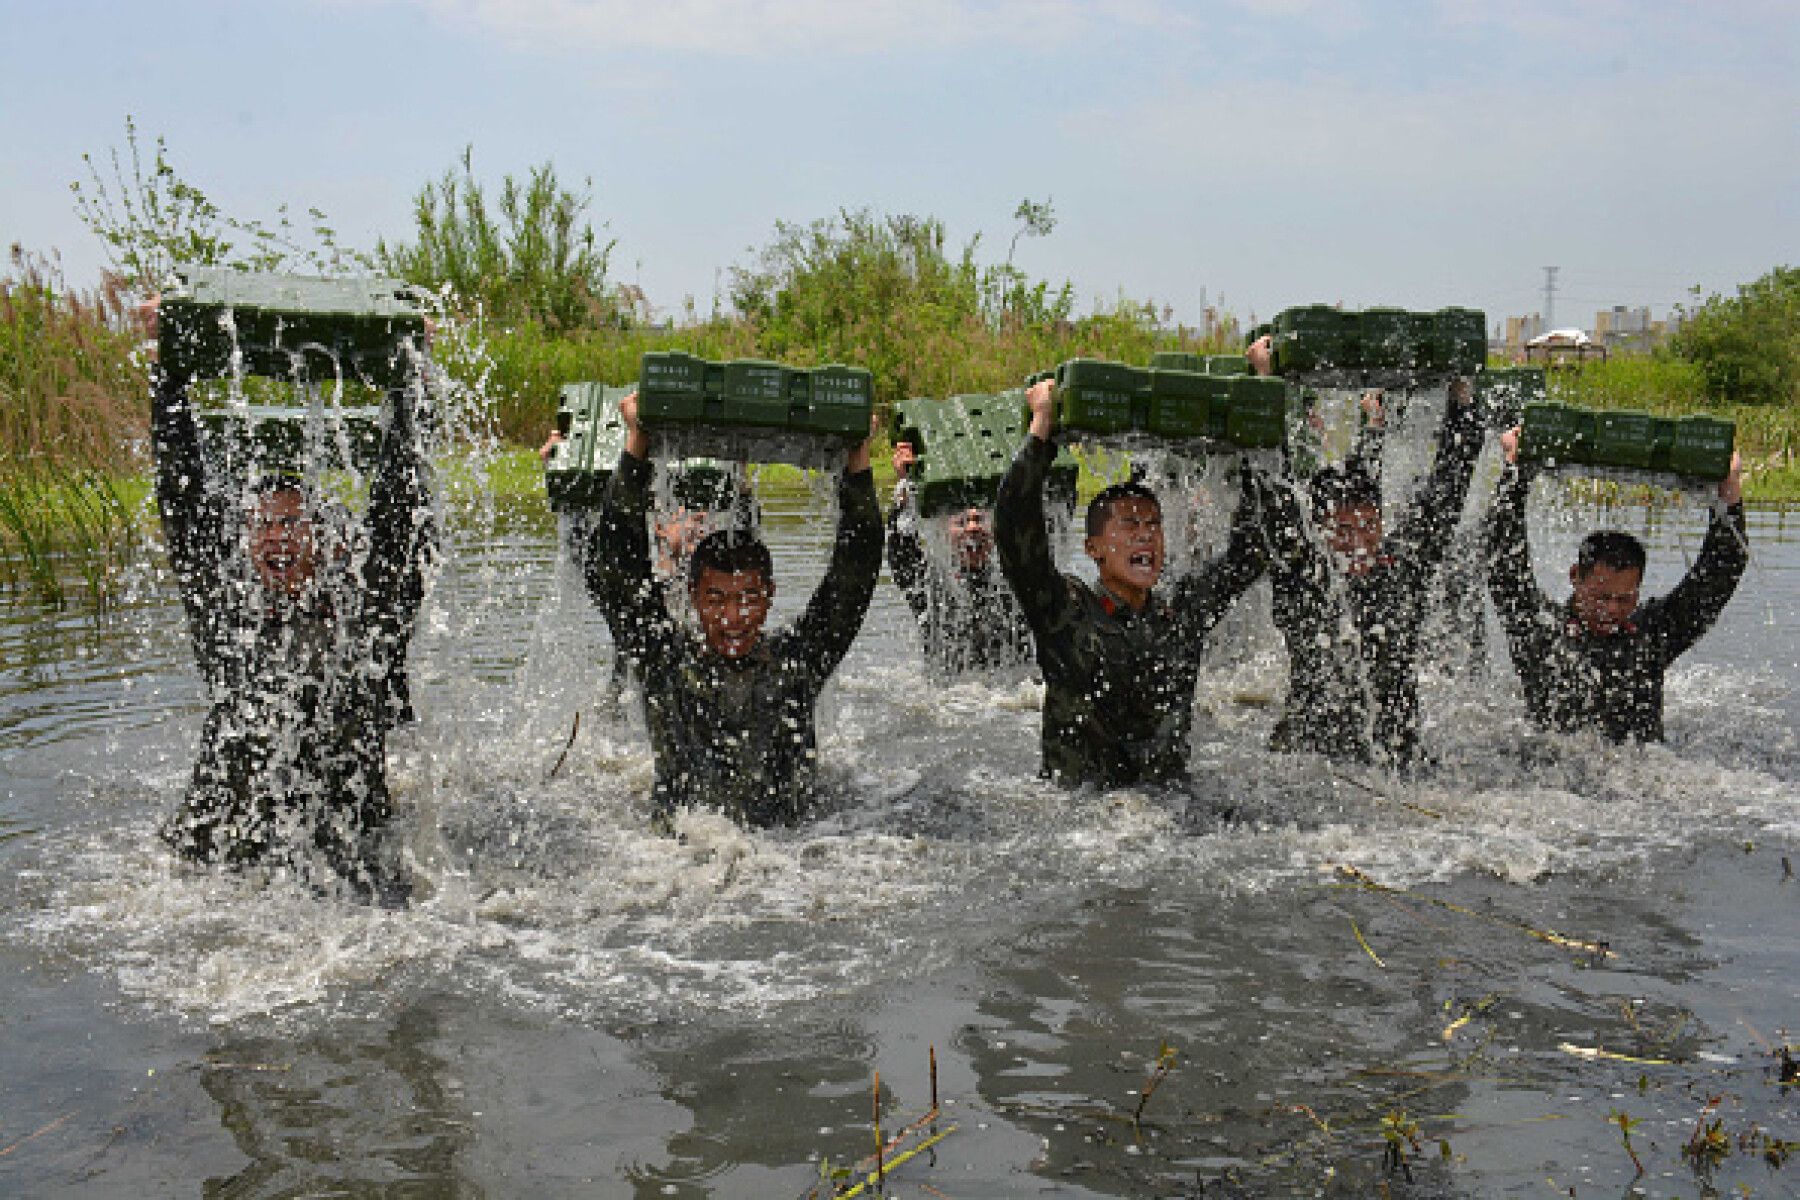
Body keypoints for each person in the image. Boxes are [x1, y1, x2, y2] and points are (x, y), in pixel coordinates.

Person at [151, 310, 434, 904]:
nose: (276, 539)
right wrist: (166, 371)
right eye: (262, 526)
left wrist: (413, 380)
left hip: (348, 849)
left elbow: (397, 507)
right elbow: (186, 507)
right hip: (236, 851)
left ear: (328, 540)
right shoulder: (230, 620)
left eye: (292, 524)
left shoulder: (366, 615)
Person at [586, 392, 883, 828]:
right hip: (682, 859)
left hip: (793, 858)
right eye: (715, 600)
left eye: (747, 598)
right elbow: (619, 566)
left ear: (770, 596)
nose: (732, 618)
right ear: (692, 596)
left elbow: (853, 575)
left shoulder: (797, 660)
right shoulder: (665, 661)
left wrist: (858, 463)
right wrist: (637, 445)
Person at [995, 379, 1269, 788]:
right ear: (1093, 548)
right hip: (1082, 814)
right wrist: (1041, 429)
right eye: (1129, 524)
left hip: (1170, 808)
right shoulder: (1064, 612)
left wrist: (1256, 432)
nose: (1145, 535)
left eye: (1153, 525)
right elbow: (1015, 528)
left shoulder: (1182, 614)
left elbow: (1251, 551)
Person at [1247, 339, 1488, 768]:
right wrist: (1265, 383)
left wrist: (1461, 400)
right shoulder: (1301, 573)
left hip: (1396, 755)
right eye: (1341, 530)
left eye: (1366, 528)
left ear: (1381, 525)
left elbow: (1446, 495)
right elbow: (1272, 486)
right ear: (1317, 530)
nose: (1356, 542)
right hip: (1310, 758)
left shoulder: (1402, 569)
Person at [1486, 425, 1747, 742]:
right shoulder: (1539, 630)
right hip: (1555, 779)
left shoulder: (1653, 636)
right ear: (1575, 578)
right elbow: (1503, 563)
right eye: (1601, 596)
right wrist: (1514, 472)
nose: (1611, 609)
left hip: (1642, 775)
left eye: (1624, 599)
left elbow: (1719, 575)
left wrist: (1729, 491)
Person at [886, 440, 1033, 678]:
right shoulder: (929, 585)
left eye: (980, 520)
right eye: (962, 522)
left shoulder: (1016, 582)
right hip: (952, 695)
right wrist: (905, 486)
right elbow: (900, 550)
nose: (973, 528)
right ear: (943, 531)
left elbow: (1040, 533)